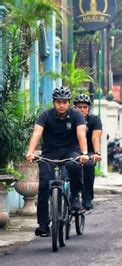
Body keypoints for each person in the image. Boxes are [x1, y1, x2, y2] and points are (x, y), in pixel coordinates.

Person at [25, 86, 89, 236]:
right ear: (54, 103)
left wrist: (84, 153)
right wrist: (30, 151)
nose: (62, 105)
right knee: (44, 185)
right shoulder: (45, 116)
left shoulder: (76, 115)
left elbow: (81, 135)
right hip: (50, 153)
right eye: (59, 102)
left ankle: (74, 196)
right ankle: (43, 225)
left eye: (65, 102)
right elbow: (36, 133)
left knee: (75, 166)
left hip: (70, 150)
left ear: (68, 103)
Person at [73, 94, 103, 210]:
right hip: (73, 150)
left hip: (89, 151)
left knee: (89, 166)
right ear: (74, 108)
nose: (82, 109)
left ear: (89, 108)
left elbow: (96, 138)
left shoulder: (94, 120)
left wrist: (97, 153)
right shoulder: (70, 119)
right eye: (79, 107)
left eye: (85, 107)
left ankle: (87, 198)